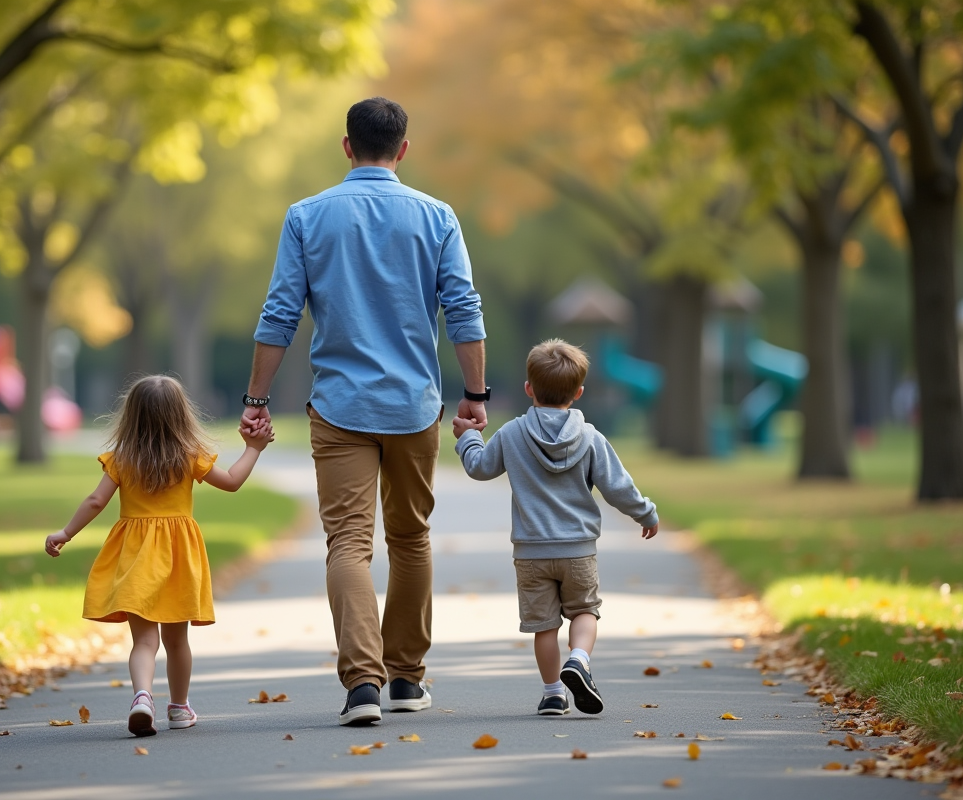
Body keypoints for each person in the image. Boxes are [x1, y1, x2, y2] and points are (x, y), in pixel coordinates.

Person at [241, 97, 488, 726]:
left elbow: (280, 314)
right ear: (403, 150)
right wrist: (476, 394)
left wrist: (255, 401)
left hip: (340, 405)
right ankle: (406, 677)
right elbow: (463, 308)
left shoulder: (306, 216)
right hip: (413, 406)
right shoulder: (437, 217)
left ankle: (363, 688)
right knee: (410, 538)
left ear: (346, 146)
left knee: (347, 543)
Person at [44, 375, 274, 736]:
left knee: (145, 641)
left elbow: (95, 501)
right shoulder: (189, 456)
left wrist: (65, 532)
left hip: (136, 558)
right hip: (178, 557)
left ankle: (141, 697)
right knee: (177, 640)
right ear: (181, 416)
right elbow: (231, 481)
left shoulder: (121, 459)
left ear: (131, 417)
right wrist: (254, 449)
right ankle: (179, 709)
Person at [453, 340, 658, 716]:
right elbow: (618, 487)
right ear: (578, 393)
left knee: (544, 625)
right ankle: (578, 659)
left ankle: (552, 694)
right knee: (585, 612)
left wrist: (467, 436)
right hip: (578, 550)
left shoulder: (513, 434)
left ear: (529, 388)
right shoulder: (591, 438)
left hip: (531, 553)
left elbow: (480, 468)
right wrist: (645, 513)